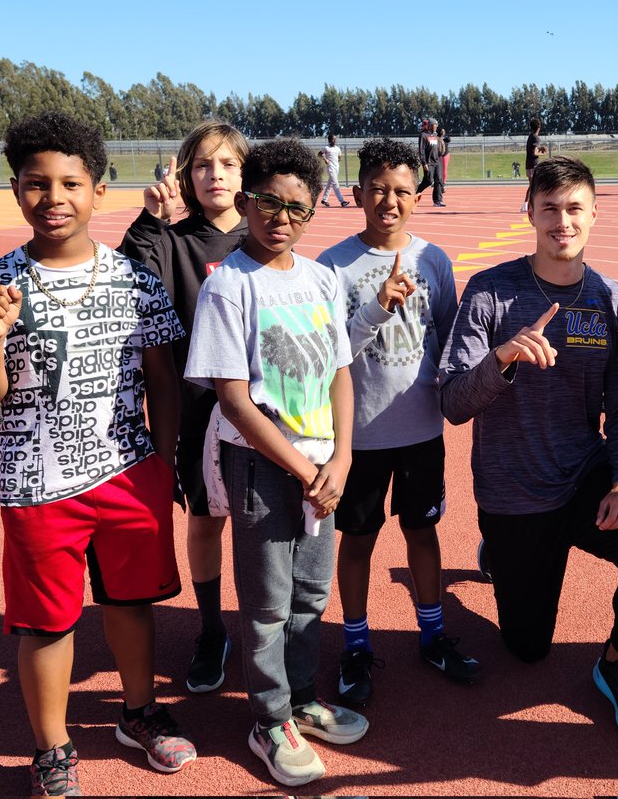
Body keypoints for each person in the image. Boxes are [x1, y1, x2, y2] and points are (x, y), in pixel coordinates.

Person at [0, 111, 196, 796]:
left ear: (98, 190)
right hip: (36, 484)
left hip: (128, 474)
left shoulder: (134, 280)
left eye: (70, 183)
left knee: (131, 604)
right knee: (45, 621)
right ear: (16, 191)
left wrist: (165, 460)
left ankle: (139, 713)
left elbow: (162, 381)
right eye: (36, 184)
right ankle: (53, 749)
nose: (53, 197)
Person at [440, 156, 618, 741]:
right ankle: (498, 551)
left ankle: (616, 664)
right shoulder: (490, 292)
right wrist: (501, 359)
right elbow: (452, 403)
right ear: (530, 211)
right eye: (549, 208)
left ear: (594, 215)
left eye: (574, 208)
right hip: (513, 490)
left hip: (585, 475)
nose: (562, 221)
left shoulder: (610, 303)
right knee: (526, 649)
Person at [185, 138, 367, 789]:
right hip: (265, 468)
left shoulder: (319, 279)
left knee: (310, 599)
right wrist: (302, 468)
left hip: (324, 469)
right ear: (246, 199)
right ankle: (267, 722)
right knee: (266, 605)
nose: (280, 216)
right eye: (267, 201)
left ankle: (298, 699)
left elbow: (343, 372)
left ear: (314, 209)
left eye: (297, 206)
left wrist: (342, 457)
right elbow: (234, 400)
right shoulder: (229, 286)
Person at [317, 138, 477, 707]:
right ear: (357, 192)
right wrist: (378, 307)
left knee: (421, 531)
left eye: (403, 190)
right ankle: (355, 645)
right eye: (379, 189)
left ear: (418, 196)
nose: (390, 200)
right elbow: (329, 353)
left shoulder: (434, 259)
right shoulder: (333, 266)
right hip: (359, 436)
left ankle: (433, 634)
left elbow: (451, 337)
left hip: (420, 431)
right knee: (357, 538)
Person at [119, 121, 249, 695]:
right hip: (198, 412)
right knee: (205, 518)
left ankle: (270, 627)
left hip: (267, 415)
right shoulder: (171, 242)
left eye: (226, 164)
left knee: (267, 522)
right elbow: (129, 277)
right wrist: (151, 218)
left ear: (245, 175)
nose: (214, 175)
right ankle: (212, 628)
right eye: (201, 165)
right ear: (183, 176)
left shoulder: (265, 238)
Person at [416, 119, 445, 207]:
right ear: (430, 125)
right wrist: (424, 163)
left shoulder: (435, 135)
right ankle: (415, 193)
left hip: (437, 161)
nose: (436, 127)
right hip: (428, 162)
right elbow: (421, 150)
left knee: (439, 180)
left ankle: (437, 201)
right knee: (428, 181)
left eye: (436, 125)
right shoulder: (423, 135)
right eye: (434, 125)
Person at [520, 118, 547, 212]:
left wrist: (540, 149)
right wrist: (542, 153)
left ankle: (527, 204)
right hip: (534, 164)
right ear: (539, 127)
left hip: (528, 164)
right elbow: (534, 153)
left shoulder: (530, 136)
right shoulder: (536, 138)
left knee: (532, 185)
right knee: (536, 185)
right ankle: (529, 204)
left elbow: (532, 150)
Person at [318, 134, 349, 207]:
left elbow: (339, 156)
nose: (334, 140)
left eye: (335, 139)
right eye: (333, 139)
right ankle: (342, 201)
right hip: (330, 168)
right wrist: (325, 159)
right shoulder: (326, 148)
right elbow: (319, 154)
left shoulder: (338, 148)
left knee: (329, 184)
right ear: (329, 140)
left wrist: (339, 159)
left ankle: (324, 200)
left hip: (336, 168)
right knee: (335, 184)